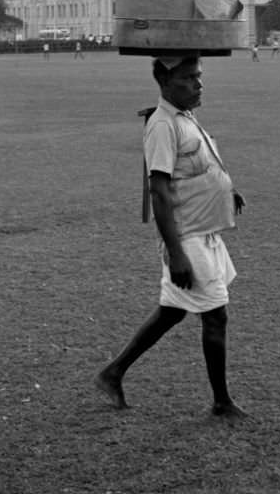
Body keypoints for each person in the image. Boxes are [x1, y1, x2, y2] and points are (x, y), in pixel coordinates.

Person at [96, 55, 247, 419]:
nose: (199, 84)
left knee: (173, 311)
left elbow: (197, 165)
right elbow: (160, 191)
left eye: (199, 76)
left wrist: (228, 191)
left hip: (202, 230)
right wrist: (176, 253)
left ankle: (112, 372)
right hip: (188, 236)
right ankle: (221, 402)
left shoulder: (184, 116)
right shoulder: (163, 125)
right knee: (215, 317)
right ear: (165, 82)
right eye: (189, 78)